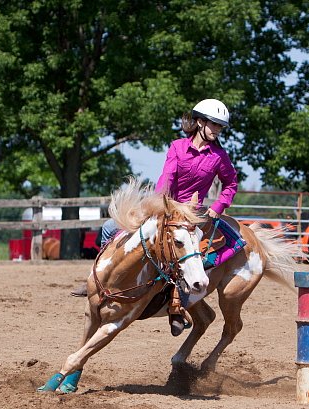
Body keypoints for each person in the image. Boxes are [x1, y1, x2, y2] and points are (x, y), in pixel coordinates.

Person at [74, 98, 239, 333]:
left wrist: (219, 207)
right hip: (164, 205)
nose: (217, 130)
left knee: (187, 256)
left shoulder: (218, 157)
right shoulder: (178, 147)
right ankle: (99, 278)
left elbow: (231, 184)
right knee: (111, 227)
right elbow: (167, 177)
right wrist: (157, 204)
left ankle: (176, 306)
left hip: (190, 214)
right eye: (214, 124)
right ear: (200, 122)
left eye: (220, 126)